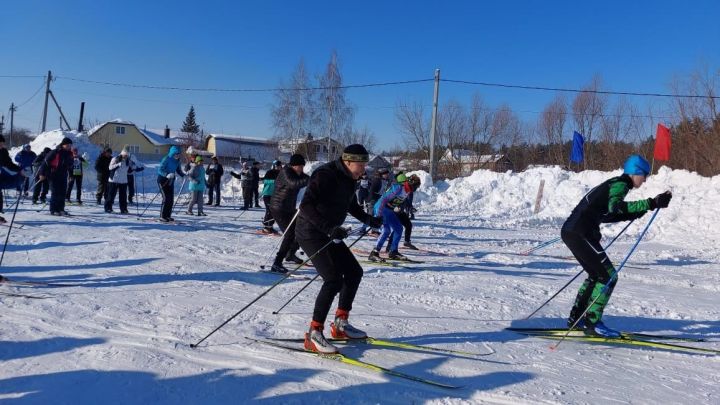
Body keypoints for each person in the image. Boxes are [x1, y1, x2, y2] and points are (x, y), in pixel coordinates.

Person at [563, 154, 672, 337]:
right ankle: (592, 322)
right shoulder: (620, 185)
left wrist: (642, 209)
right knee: (609, 277)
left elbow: (608, 214)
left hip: (573, 232)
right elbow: (616, 209)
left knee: (596, 275)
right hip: (580, 233)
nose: (645, 179)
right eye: (644, 175)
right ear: (635, 172)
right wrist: (651, 203)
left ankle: (578, 318)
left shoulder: (616, 183)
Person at [296, 144, 383, 354]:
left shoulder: (349, 179)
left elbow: (350, 205)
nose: (363, 170)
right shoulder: (325, 175)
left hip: (330, 232)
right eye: (361, 165)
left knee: (354, 272)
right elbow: (305, 206)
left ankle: (340, 325)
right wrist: (329, 228)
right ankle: (314, 333)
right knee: (333, 279)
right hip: (311, 232)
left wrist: (369, 219)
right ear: (348, 161)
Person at [268, 154, 309, 273]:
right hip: (278, 208)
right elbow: (294, 184)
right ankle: (277, 263)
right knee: (290, 234)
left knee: (302, 229)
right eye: (299, 166)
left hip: (289, 208)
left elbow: (306, 179)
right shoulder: (286, 172)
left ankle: (290, 254)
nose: (301, 169)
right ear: (293, 165)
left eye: (302, 167)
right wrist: (309, 180)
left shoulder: (298, 173)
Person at [368, 173, 421, 261]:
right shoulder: (399, 188)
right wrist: (378, 215)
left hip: (390, 210)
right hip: (381, 208)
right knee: (386, 230)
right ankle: (374, 253)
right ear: (411, 184)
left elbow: (397, 201)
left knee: (398, 228)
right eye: (415, 186)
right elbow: (384, 199)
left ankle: (393, 252)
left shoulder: (407, 191)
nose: (415, 189)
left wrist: (399, 208)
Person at [38, 137, 74, 216]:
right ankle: (53, 209)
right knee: (55, 192)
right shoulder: (55, 152)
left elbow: (70, 166)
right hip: (53, 174)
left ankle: (61, 209)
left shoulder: (69, 154)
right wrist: (42, 174)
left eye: (70, 145)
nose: (69, 146)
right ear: (63, 145)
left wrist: (71, 175)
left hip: (63, 175)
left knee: (63, 192)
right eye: (67, 145)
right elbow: (45, 163)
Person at [0, 135, 26, 222]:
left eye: (2, 144)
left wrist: (19, 170)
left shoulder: (3, 151)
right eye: (0, 143)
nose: (1, 145)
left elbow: (8, 163)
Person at [157, 145, 185, 222]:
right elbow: (160, 169)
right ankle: (162, 216)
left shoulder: (177, 161)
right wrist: (166, 174)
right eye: (176, 154)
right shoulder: (166, 158)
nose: (178, 155)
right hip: (162, 180)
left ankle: (168, 216)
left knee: (170, 199)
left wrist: (183, 175)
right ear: (172, 153)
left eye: (179, 154)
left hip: (170, 181)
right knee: (166, 198)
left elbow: (178, 170)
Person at [364, 168, 390, 235]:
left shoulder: (384, 181)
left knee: (376, 215)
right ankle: (363, 229)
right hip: (373, 200)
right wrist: (374, 199)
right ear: (381, 174)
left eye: (387, 174)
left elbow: (383, 191)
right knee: (370, 215)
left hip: (378, 200)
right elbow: (372, 191)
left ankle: (374, 230)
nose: (387, 175)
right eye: (385, 174)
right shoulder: (377, 180)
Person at [105, 148, 131, 214]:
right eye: (125, 155)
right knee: (111, 195)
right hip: (114, 180)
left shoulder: (128, 161)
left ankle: (124, 209)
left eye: (127, 155)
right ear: (122, 154)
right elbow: (110, 167)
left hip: (123, 181)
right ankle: (108, 208)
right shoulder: (115, 159)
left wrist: (136, 169)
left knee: (123, 197)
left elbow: (129, 169)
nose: (126, 156)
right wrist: (118, 165)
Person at [260, 160, 281, 234]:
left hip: (275, 195)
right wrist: (273, 181)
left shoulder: (281, 173)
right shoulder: (269, 172)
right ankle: (266, 227)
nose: (278, 167)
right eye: (277, 166)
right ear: (274, 166)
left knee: (274, 211)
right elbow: (265, 181)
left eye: (279, 166)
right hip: (267, 194)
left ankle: (270, 227)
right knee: (270, 210)